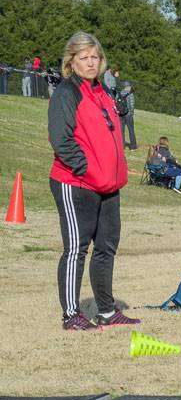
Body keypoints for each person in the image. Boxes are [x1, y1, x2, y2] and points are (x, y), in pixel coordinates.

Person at [48, 32, 139, 331]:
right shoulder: (66, 93)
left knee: (106, 247)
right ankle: (71, 315)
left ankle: (107, 311)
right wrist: (86, 169)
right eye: (84, 57)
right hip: (76, 183)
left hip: (108, 186)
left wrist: (111, 172)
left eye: (95, 57)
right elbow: (61, 140)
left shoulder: (103, 92)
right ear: (71, 62)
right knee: (77, 247)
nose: (90, 62)